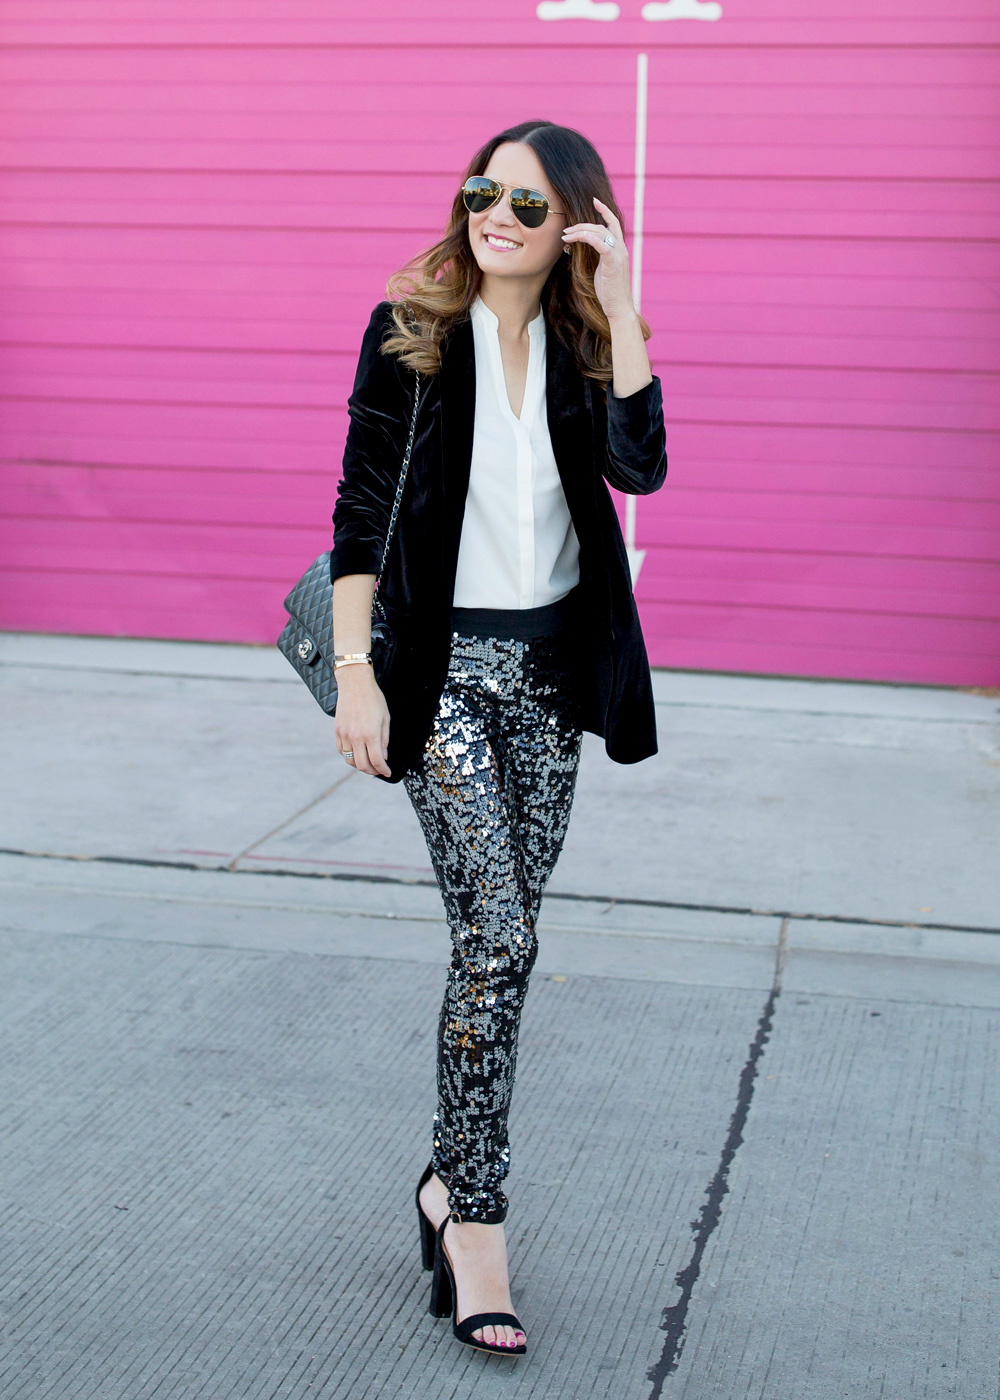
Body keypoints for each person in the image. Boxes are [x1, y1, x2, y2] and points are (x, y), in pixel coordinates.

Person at [328, 119, 667, 1358]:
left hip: (549, 676)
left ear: (569, 221)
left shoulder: (589, 344)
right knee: (502, 932)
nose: (495, 217)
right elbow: (359, 513)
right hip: (439, 673)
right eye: (482, 192)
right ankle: (476, 1220)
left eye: (526, 204)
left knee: (503, 951)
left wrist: (619, 302)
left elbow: (644, 468)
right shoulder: (411, 329)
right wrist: (358, 679)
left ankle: (443, 1171)